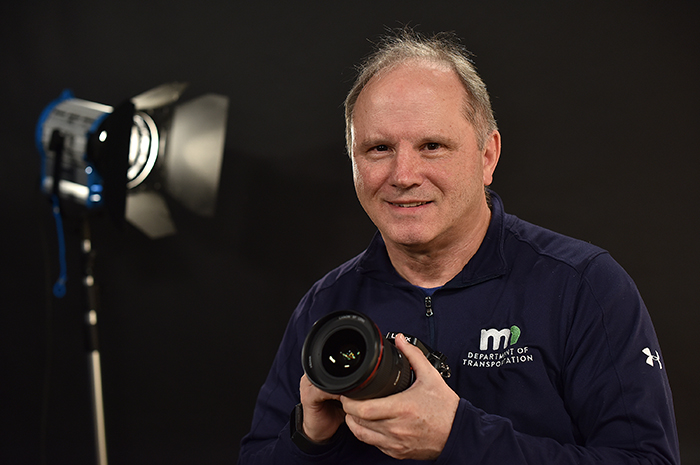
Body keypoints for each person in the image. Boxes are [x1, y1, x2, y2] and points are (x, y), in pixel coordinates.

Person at [238, 29, 680, 464]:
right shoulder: (327, 305)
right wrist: (310, 440)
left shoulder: (583, 285)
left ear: (487, 156)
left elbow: (647, 459)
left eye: (432, 146)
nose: (403, 174)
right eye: (378, 148)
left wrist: (460, 438)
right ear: (353, 161)